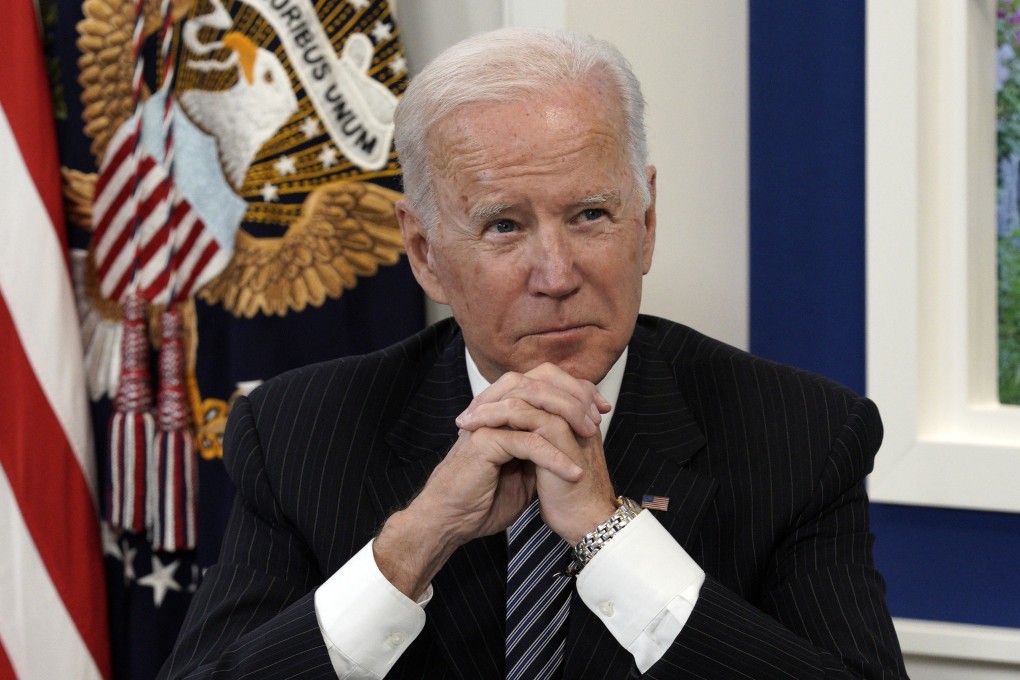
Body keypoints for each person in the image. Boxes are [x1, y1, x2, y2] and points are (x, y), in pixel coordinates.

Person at [159, 27, 908, 680]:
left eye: (590, 214)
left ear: (645, 223)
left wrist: (611, 538)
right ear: (423, 252)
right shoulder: (300, 431)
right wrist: (412, 545)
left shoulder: (803, 433)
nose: (556, 275)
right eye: (504, 227)